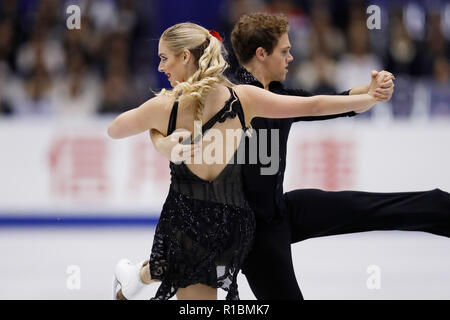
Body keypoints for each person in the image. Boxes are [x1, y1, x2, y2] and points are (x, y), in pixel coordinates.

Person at [150, 13, 450, 300]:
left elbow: (330, 102)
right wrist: (164, 145)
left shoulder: (280, 95)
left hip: (278, 210)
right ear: (261, 54)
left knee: (362, 206)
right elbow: (159, 117)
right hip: (246, 232)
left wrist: (370, 91)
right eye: (285, 51)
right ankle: (137, 278)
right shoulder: (222, 95)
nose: (291, 57)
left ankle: (442, 209)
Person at [107, 21, 382, 300]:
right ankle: (135, 279)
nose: (160, 67)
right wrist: (366, 98)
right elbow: (314, 106)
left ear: (185, 57)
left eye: (164, 58)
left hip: (206, 226)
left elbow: (116, 129)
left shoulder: (165, 107)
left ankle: (136, 278)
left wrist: (160, 139)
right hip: (224, 223)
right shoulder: (243, 99)